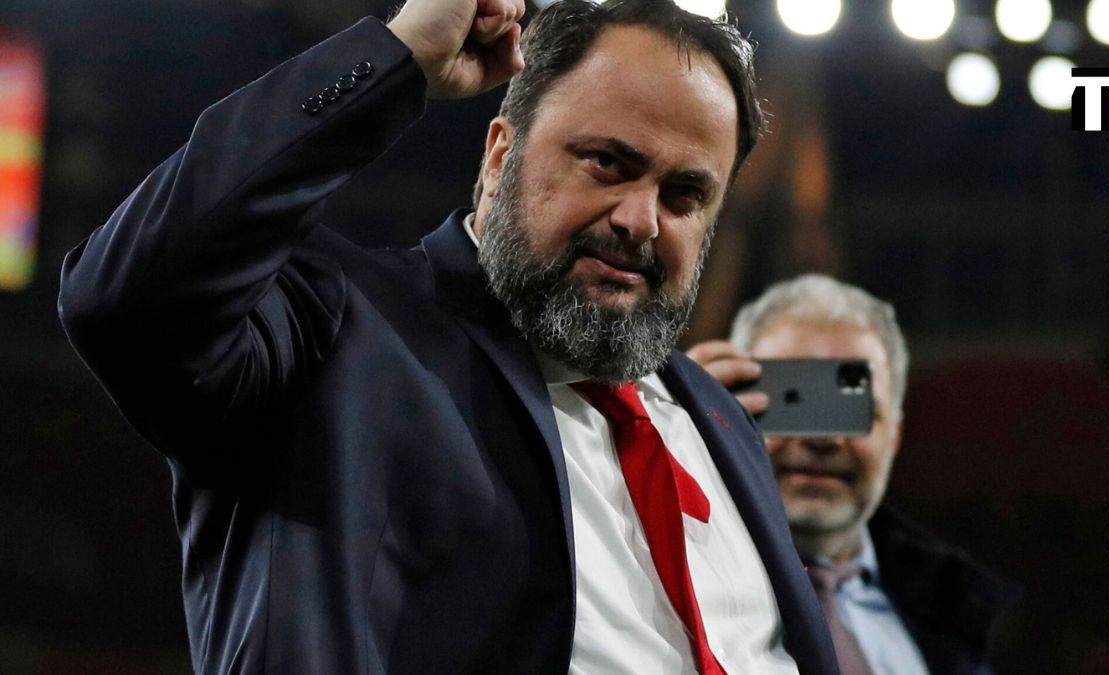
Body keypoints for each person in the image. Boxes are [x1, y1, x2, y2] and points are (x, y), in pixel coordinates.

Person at [57, 0, 839, 673]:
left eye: (685, 194)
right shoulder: (335, 331)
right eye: (607, 162)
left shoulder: (715, 413)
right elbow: (125, 300)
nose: (641, 219)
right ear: (499, 157)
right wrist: (396, 60)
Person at [688, 274, 1018, 675]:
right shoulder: (664, 588)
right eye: (792, 400)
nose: (824, 439)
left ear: (895, 436)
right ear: (725, 410)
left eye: (851, 407)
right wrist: (670, 448)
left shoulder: (954, 620)